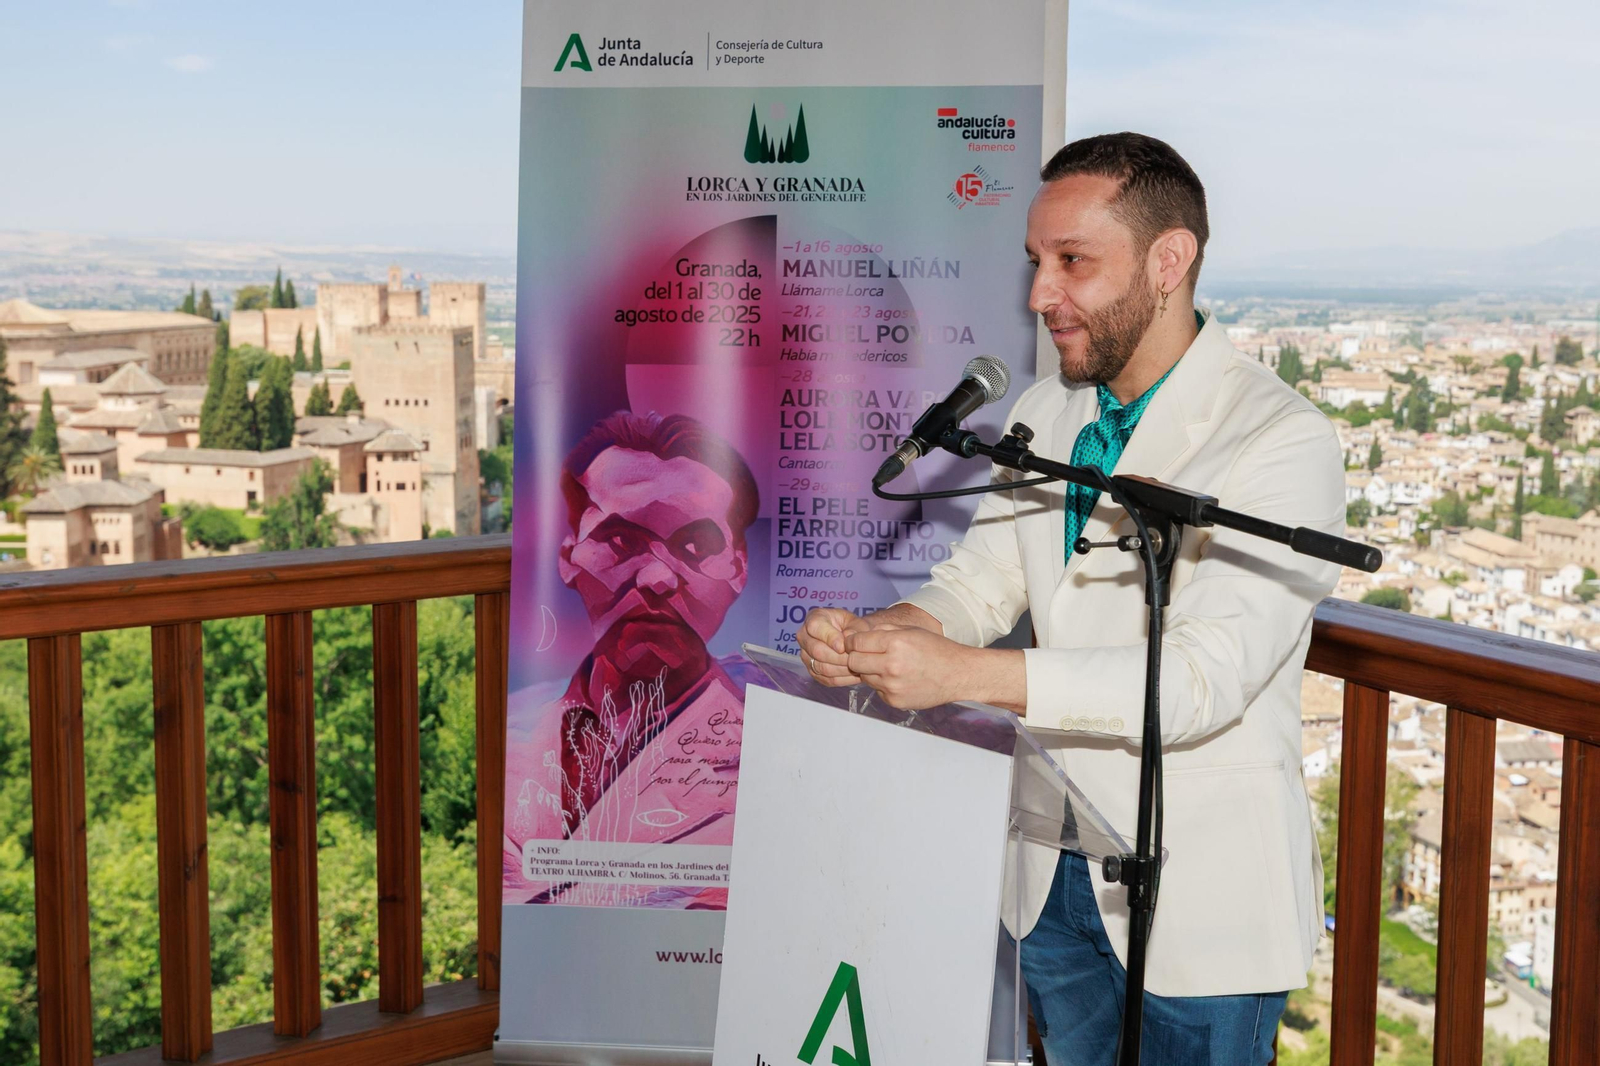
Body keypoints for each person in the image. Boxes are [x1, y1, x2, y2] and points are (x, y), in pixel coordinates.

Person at [798, 133, 1345, 1063]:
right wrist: (893, 633)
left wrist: (964, 672)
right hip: (1050, 878)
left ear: (1170, 261)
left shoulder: (1281, 439)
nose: (1038, 295)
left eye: (1072, 262)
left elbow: (1201, 682)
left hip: (1203, 904)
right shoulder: (1046, 414)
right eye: (1036, 263)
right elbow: (982, 581)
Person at [504, 410, 762, 908]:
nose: (656, 580)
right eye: (620, 540)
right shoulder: (512, 731)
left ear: (738, 568)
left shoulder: (773, 764)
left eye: (696, 544)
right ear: (568, 557)